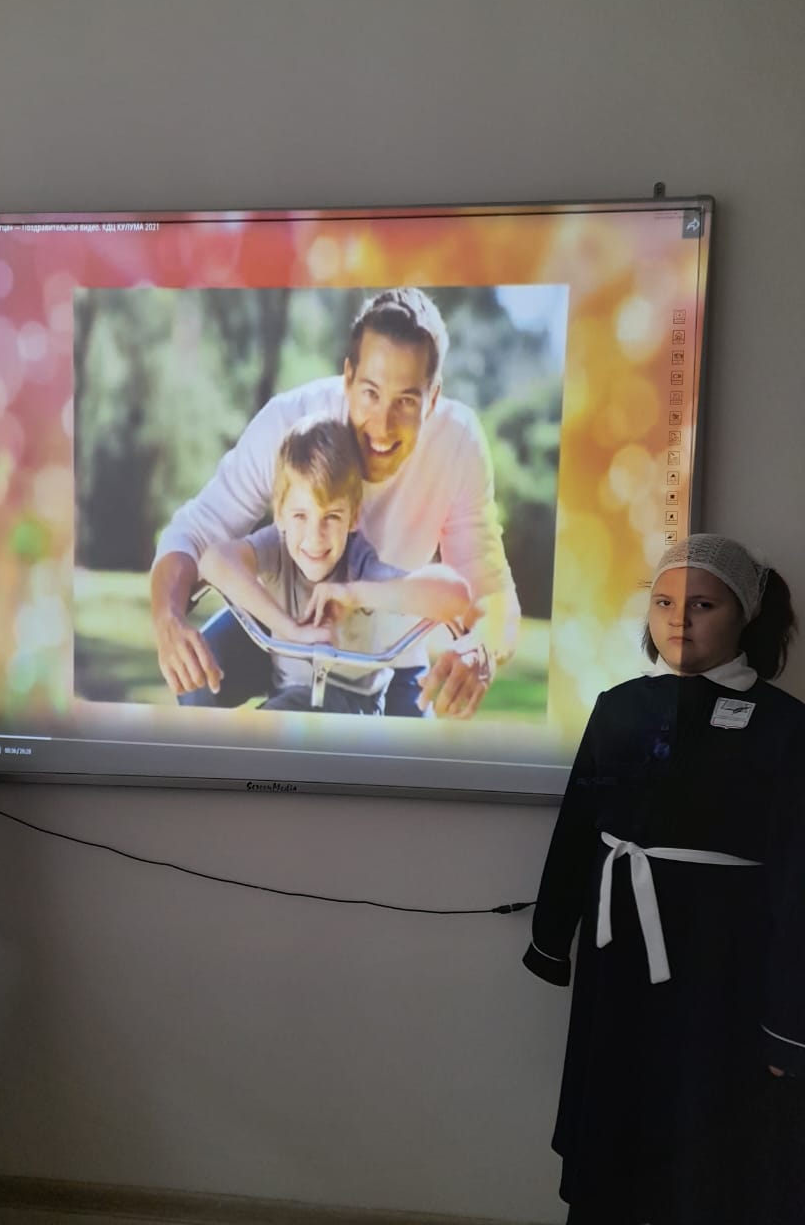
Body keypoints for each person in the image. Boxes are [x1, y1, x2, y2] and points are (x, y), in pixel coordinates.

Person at [522, 534, 805, 1225]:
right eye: (664, 603)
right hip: (617, 957)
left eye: (703, 604)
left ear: (745, 615)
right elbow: (578, 826)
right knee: (614, 1120)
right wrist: (551, 939)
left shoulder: (785, 727)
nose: (679, 620)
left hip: (722, 963)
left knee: (710, 1138)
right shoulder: (620, 706)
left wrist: (787, 1024)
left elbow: (797, 882)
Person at [151, 287, 520, 720]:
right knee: (198, 678)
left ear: (433, 398)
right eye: (370, 393)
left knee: (409, 752)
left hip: (388, 653)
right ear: (348, 378)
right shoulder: (292, 427)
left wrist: (482, 648)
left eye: (406, 401)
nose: (382, 426)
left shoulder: (458, 442)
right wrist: (168, 617)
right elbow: (197, 535)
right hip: (283, 624)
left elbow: (485, 591)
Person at [199, 416, 471, 713]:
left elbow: (456, 595)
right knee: (199, 682)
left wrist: (354, 595)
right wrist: (292, 629)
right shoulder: (277, 546)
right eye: (300, 516)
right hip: (290, 695)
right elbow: (215, 560)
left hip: (354, 705)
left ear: (353, 518)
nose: (315, 536)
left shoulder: (359, 564)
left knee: (282, 715)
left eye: (331, 517)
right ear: (280, 514)